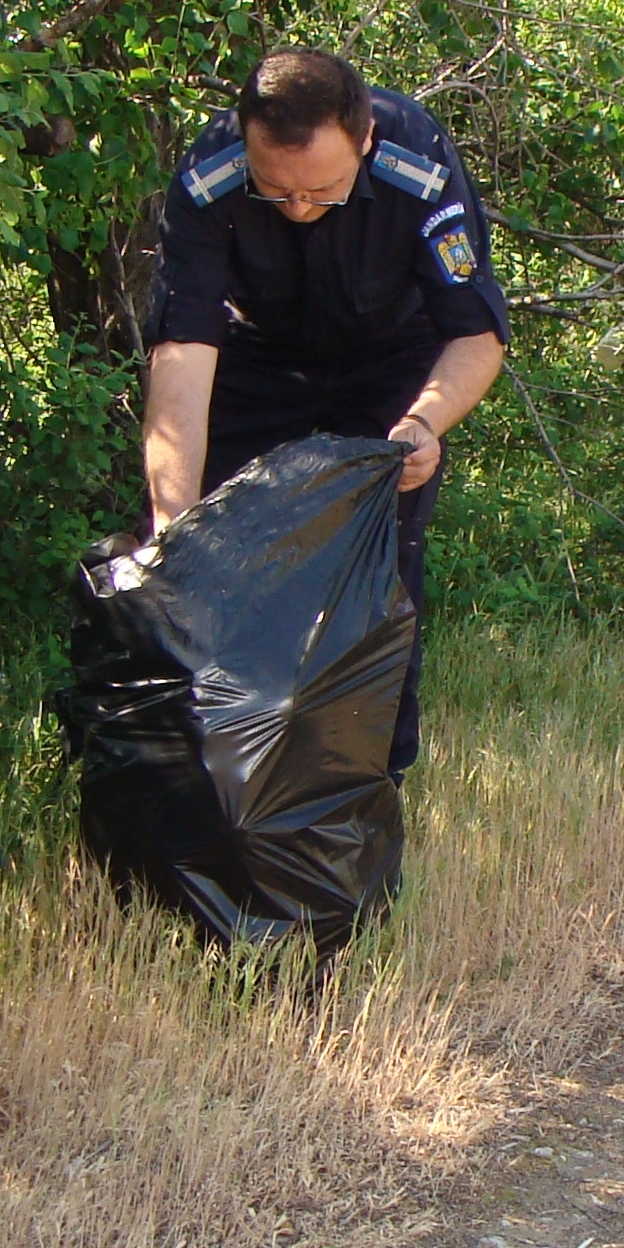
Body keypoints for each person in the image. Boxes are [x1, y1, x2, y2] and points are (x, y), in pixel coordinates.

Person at [141, 45, 510, 773]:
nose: (301, 209)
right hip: (258, 357)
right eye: (276, 193)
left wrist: (423, 425)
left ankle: (372, 779)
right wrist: (171, 522)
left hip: (390, 364)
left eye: (324, 191)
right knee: (208, 548)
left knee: (380, 566)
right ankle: (222, 773)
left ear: (365, 140)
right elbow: (183, 353)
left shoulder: (420, 160)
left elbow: (475, 334)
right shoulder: (210, 176)